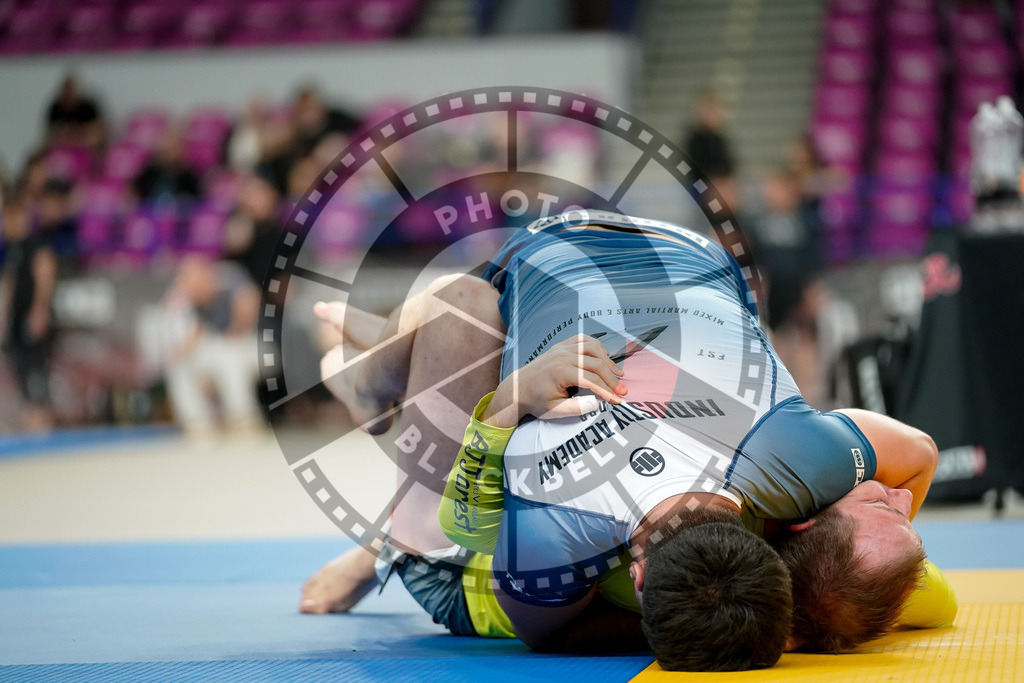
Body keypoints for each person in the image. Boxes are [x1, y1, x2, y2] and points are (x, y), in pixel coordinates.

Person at [303, 211, 938, 669]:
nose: (895, 501)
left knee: (460, 307)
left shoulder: (797, 458)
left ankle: (370, 406)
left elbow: (463, 526)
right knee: (455, 325)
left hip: (669, 252)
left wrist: (512, 401)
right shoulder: (562, 538)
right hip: (599, 269)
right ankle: (370, 372)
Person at [162, 257, 262, 438]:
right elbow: (199, 332)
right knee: (180, 365)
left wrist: (231, 335)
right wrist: (186, 357)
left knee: (229, 355)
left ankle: (243, 418)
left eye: (192, 284)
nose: (190, 290)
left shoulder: (229, 278)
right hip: (222, 349)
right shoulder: (196, 301)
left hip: (255, 344)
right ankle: (198, 422)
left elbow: (250, 305)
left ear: (204, 276)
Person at [1, 199, 58, 431]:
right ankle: (31, 414)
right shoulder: (12, 249)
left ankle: (42, 417)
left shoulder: (36, 244)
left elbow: (45, 274)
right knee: (19, 364)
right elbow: (10, 283)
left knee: (37, 367)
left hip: (32, 314)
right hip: (17, 316)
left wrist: (40, 309)